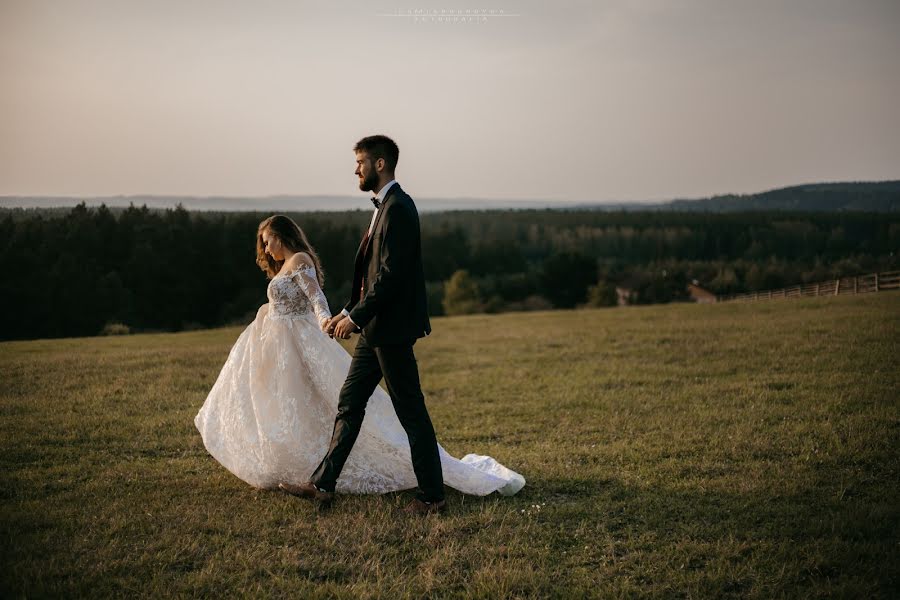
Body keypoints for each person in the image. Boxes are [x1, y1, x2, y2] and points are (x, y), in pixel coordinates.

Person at [194, 184, 524, 512]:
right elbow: (367, 279)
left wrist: (338, 319)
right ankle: (323, 483)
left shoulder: (395, 209)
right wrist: (349, 313)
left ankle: (432, 494)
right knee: (349, 405)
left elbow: (362, 285)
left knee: (407, 411)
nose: (265, 249)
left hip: (388, 331)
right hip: (367, 332)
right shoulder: (381, 210)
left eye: (268, 240)